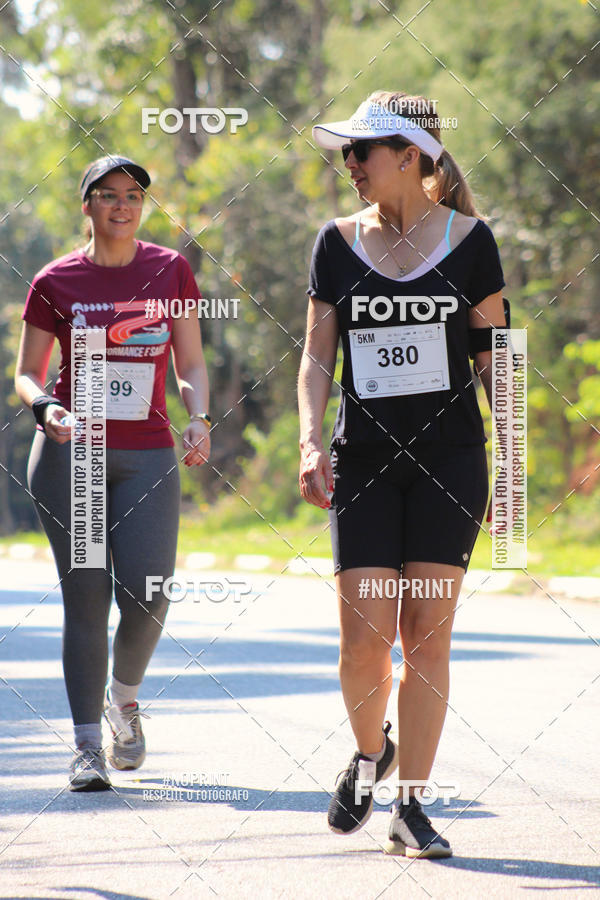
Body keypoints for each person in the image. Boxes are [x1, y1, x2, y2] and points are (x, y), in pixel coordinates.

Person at [298, 92, 507, 857]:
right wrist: (309, 439)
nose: (349, 164)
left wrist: (511, 463)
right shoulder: (335, 242)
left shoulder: (472, 242)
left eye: (362, 151)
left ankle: (411, 808)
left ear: (411, 155)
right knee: (363, 644)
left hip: (451, 462)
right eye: (347, 153)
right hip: (365, 464)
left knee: (425, 640)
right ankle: (369, 753)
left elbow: (497, 363)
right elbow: (319, 354)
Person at [15, 156, 212, 791]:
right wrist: (47, 407)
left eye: (133, 196)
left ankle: (122, 699)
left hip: (149, 453)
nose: (121, 206)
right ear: (88, 206)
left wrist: (198, 415)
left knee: (151, 593)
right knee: (88, 596)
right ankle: (85, 748)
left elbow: (190, 363)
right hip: (76, 454)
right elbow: (25, 373)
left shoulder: (170, 269)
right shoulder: (54, 280)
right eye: (107, 196)